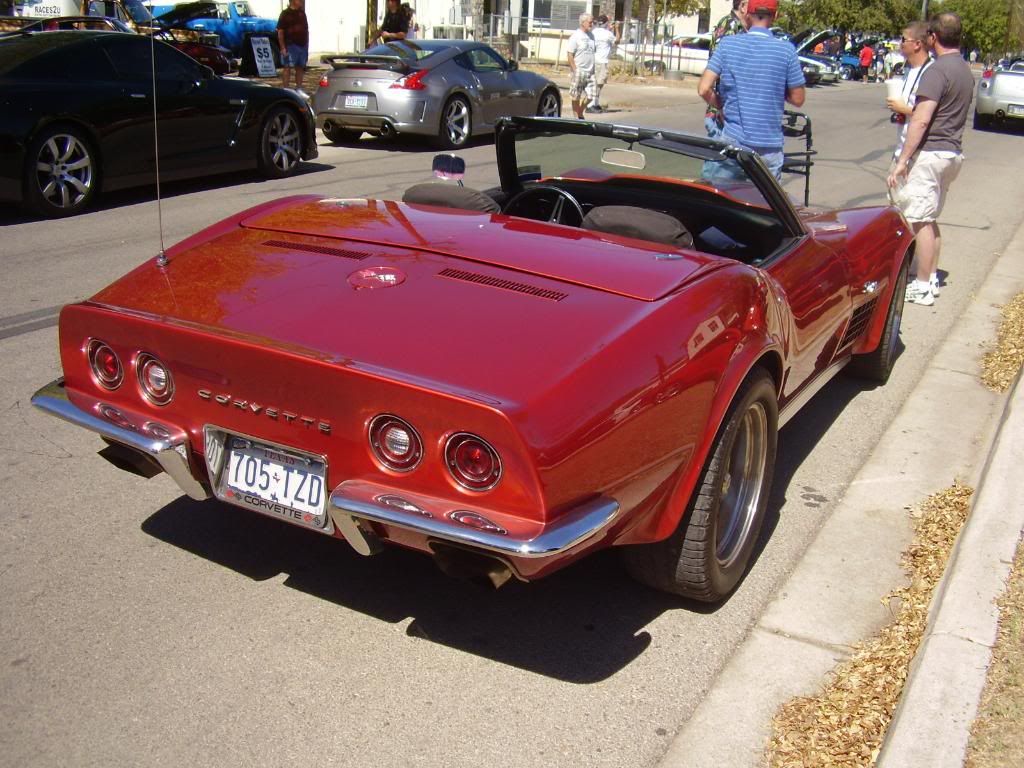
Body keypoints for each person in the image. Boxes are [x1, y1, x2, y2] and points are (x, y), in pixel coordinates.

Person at [887, 13, 974, 306]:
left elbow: (921, 120)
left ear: (933, 38)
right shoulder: (964, 70)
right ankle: (931, 276)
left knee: (919, 219)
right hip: (952, 152)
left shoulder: (937, 71)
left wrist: (903, 159)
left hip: (932, 152)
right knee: (930, 218)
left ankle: (922, 283)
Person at [697, 0, 805, 179]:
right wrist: (775, 87)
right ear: (775, 16)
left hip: (733, 143)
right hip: (769, 149)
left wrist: (720, 106)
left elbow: (703, 88)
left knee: (717, 199)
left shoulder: (728, 45)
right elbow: (798, 99)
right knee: (761, 206)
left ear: (747, 13)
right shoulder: (786, 51)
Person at [886, 21, 932, 162]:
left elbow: (929, 116)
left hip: (918, 154)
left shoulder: (931, 72)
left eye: (904, 40)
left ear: (917, 44)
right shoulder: (909, 70)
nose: (901, 44)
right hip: (901, 150)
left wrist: (903, 109)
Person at [704, 0, 748, 137]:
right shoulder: (730, 27)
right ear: (742, 6)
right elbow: (720, 70)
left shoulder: (740, 27)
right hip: (723, 113)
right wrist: (721, 107)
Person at [587, 15, 620, 112]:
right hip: (602, 61)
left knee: (595, 83)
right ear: (606, 23)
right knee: (599, 83)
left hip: (594, 60)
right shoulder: (607, 34)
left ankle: (595, 103)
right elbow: (617, 40)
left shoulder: (594, 32)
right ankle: (591, 105)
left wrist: (610, 29)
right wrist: (617, 29)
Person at [566, 13, 596, 119]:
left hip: (590, 71)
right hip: (579, 70)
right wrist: (575, 69)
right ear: (583, 23)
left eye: (592, 22)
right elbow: (570, 54)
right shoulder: (576, 36)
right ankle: (576, 117)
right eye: (590, 22)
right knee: (576, 95)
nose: (592, 24)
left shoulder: (592, 36)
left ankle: (580, 111)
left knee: (592, 95)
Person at [276, 0, 308, 91]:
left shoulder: (302, 14)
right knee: (287, 67)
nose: (301, 1)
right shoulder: (285, 14)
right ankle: (286, 89)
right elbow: (280, 31)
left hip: (303, 45)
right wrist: (282, 47)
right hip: (290, 45)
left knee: (300, 67)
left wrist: (307, 44)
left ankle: (299, 89)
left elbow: (306, 30)